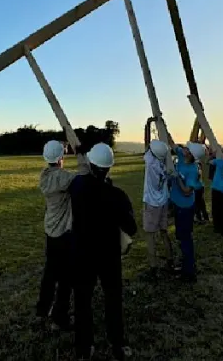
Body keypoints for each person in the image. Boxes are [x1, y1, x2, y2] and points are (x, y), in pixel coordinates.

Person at [69, 143, 137, 361]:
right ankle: (117, 345)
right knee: (113, 299)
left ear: (91, 164)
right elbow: (132, 228)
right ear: (109, 168)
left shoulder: (77, 187)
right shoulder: (117, 195)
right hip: (109, 255)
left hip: (83, 253)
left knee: (82, 300)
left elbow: (82, 180)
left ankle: (84, 347)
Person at [35, 140, 90, 330]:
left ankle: (42, 310)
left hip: (50, 230)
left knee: (50, 273)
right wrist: (81, 155)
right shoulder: (64, 178)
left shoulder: (44, 175)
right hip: (64, 234)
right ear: (60, 158)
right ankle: (60, 318)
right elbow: (86, 177)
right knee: (66, 277)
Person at [141, 140, 175, 279]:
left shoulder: (150, 162)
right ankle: (170, 260)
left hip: (152, 203)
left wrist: (149, 123)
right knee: (164, 232)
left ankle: (153, 267)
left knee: (150, 236)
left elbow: (147, 143)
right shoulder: (166, 163)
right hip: (163, 201)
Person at [169, 144, 199, 283]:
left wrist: (178, 178)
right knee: (181, 236)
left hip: (185, 208)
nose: (184, 148)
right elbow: (171, 143)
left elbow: (187, 191)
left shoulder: (193, 170)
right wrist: (161, 123)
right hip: (177, 204)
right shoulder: (181, 155)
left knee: (185, 238)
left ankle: (189, 272)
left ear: (191, 154)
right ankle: (185, 264)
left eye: (187, 148)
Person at [187, 142, 209, 224]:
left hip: (196, 187)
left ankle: (200, 218)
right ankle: (203, 217)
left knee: (198, 203)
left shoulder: (195, 164)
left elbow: (196, 176)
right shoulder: (196, 163)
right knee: (200, 202)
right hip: (198, 186)